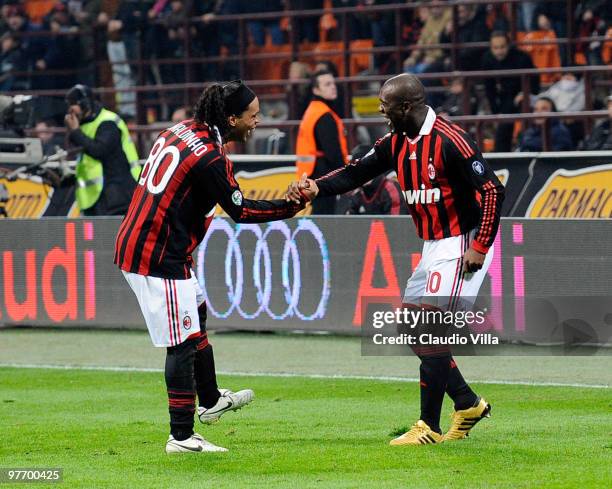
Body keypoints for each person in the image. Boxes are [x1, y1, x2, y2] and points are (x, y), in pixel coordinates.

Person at [287, 73, 504, 445]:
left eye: (386, 107)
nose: (382, 113)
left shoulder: (452, 141)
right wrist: (317, 185)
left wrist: (480, 246)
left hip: (460, 242)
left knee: (429, 328)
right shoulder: (396, 142)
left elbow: (492, 191)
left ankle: (428, 427)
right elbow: (357, 172)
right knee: (411, 327)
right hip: (434, 245)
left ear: (407, 107)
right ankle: (467, 403)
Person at [114, 80, 305, 454]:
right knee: (181, 343)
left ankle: (211, 398)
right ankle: (182, 437)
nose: (257, 122)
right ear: (231, 118)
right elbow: (242, 210)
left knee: (197, 311)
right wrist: (291, 205)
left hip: (156, 247)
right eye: (252, 116)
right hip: (157, 256)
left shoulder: (181, 130)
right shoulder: (211, 158)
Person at [64, 84, 141, 216]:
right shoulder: (85, 124)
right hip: (96, 197)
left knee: (113, 234)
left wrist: (75, 132)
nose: (71, 111)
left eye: (73, 105)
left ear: (85, 103)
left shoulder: (108, 122)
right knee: (92, 236)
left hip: (118, 193)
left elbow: (99, 150)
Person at [295, 69, 349, 215]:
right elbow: (333, 154)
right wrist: (348, 177)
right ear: (316, 90)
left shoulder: (313, 110)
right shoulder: (324, 115)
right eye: (327, 84)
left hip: (312, 174)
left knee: (320, 215)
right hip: (323, 175)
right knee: (325, 217)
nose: (333, 87)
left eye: (333, 83)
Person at [481, 31, 539, 152]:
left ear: (508, 45)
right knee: (503, 119)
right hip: (503, 96)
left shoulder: (522, 57)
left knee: (511, 116)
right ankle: (501, 152)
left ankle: (523, 147)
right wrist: (495, 110)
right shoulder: (487, 59)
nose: (499, 51)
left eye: (502, 47)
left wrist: (526, 93)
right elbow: (489, 88)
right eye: (495, 48)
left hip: (522, 96)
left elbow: (535, 79)